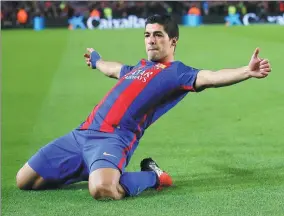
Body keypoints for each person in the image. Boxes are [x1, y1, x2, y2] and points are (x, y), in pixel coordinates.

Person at [16, 14, 272, 200]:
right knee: (25, 181)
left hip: (113, 140)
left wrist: (246, 72)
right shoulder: (137, 68)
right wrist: (97, 61)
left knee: (102, 190)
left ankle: (154, 177)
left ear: (173, 41)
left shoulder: (177, 73)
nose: (150, 40)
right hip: (82, 133)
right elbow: (114, 69)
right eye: (147, 35)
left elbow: (211, 76)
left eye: (158, 35)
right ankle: (92, 167)